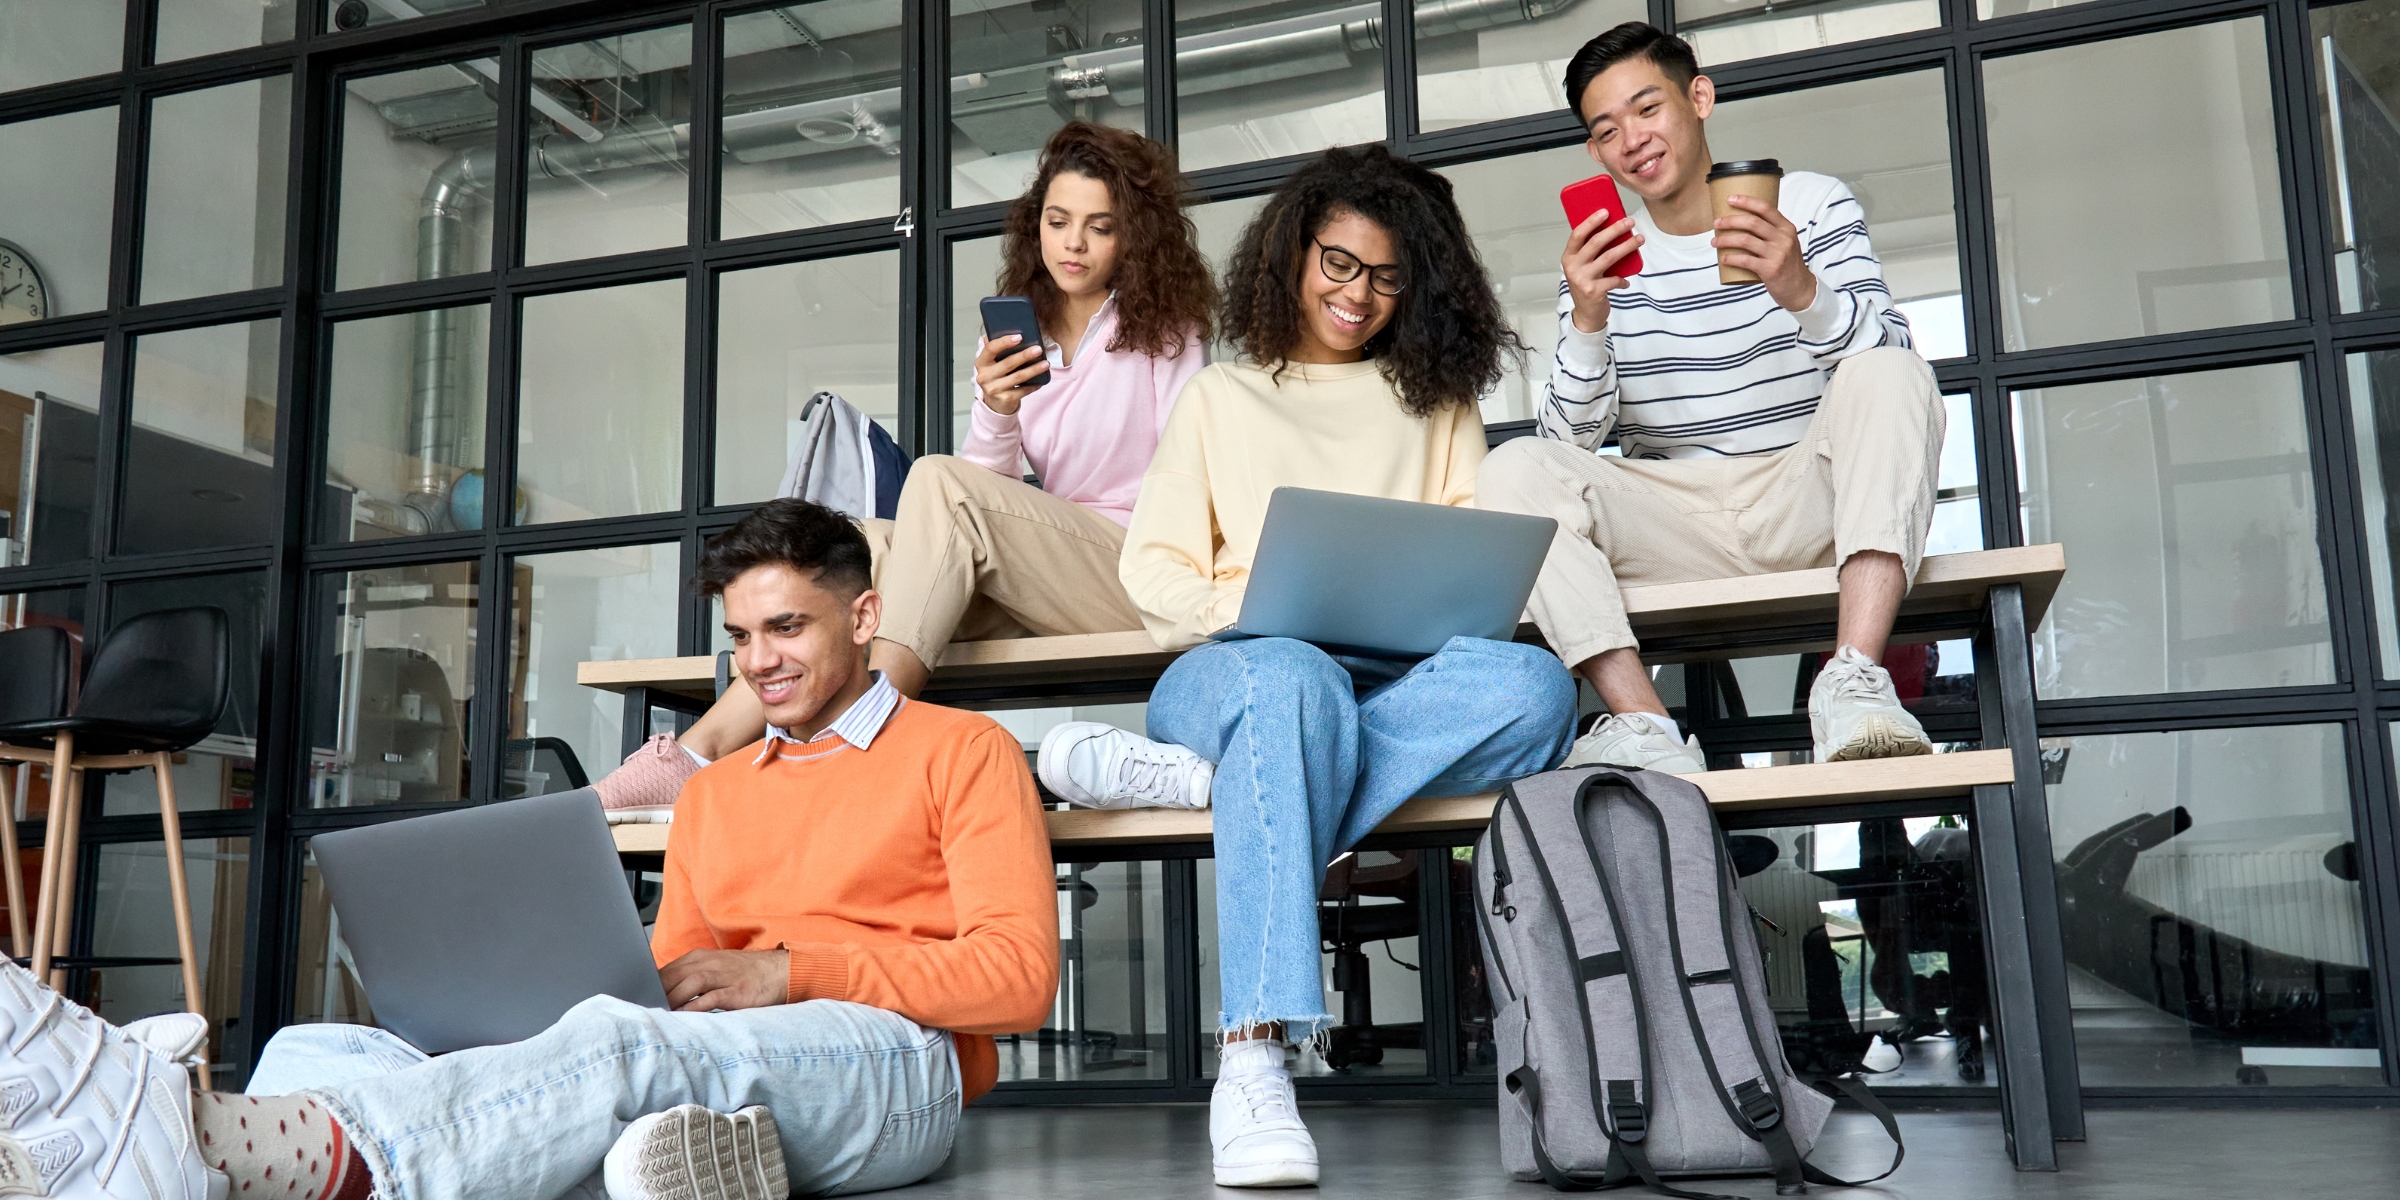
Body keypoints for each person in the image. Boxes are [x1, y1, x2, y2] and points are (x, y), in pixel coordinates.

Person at [2, 499, 1058, 1200]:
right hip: (726, 1057)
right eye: (740, 637)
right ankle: (204, 1132)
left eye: (786, 628)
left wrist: (791, 973)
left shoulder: (961, 751)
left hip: (895, 1064)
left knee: (617, 1048)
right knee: (318, 1049)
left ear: (865, 615)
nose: (759, 662)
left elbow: (1016, 981)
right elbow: (665, 984)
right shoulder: (720, 793)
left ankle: (210, 1145)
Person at [1039, 145, 1577, 1188]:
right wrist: (1264, 607)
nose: (1357, 294)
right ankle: (1253, 1057)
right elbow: (1152, 573)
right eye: (1339, 263)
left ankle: (1232, 786)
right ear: (1293, 253)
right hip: (1238, 671)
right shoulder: (1220, 398)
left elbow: (1470, 565)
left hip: (1396, 674)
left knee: (1539, 691)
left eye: (1385, 277)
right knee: (1292, 679)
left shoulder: (1437, 403)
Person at [597, 121, 1220, 814]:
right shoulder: (1019, 326)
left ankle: (864, 746)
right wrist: (996, 405)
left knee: (937, 482)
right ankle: (694, 755)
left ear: (1133, 235)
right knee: (869, 547)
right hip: (1046, 574)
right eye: (1057, 220)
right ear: (1034, 225)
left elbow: (1189, 478)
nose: (1072, 243)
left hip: (1137, 572)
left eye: (1099, 226)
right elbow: (996, 487)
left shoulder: (1167, 330)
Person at [1475, 21, 1946, 773]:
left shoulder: (1811, 204)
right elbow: (1564, 453)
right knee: (1511, 470)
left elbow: (1889, 364)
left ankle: (1853, 677)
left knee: (1893, 371)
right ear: (1595, 153)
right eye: (1608, 129)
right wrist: (1589, 322)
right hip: (1675, 521)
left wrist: (1801, 291)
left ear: (1699, 98)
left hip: (1807, 496)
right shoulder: (1599, 261)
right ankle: (1646, 726)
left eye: (1647, 109)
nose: (1633, 138)